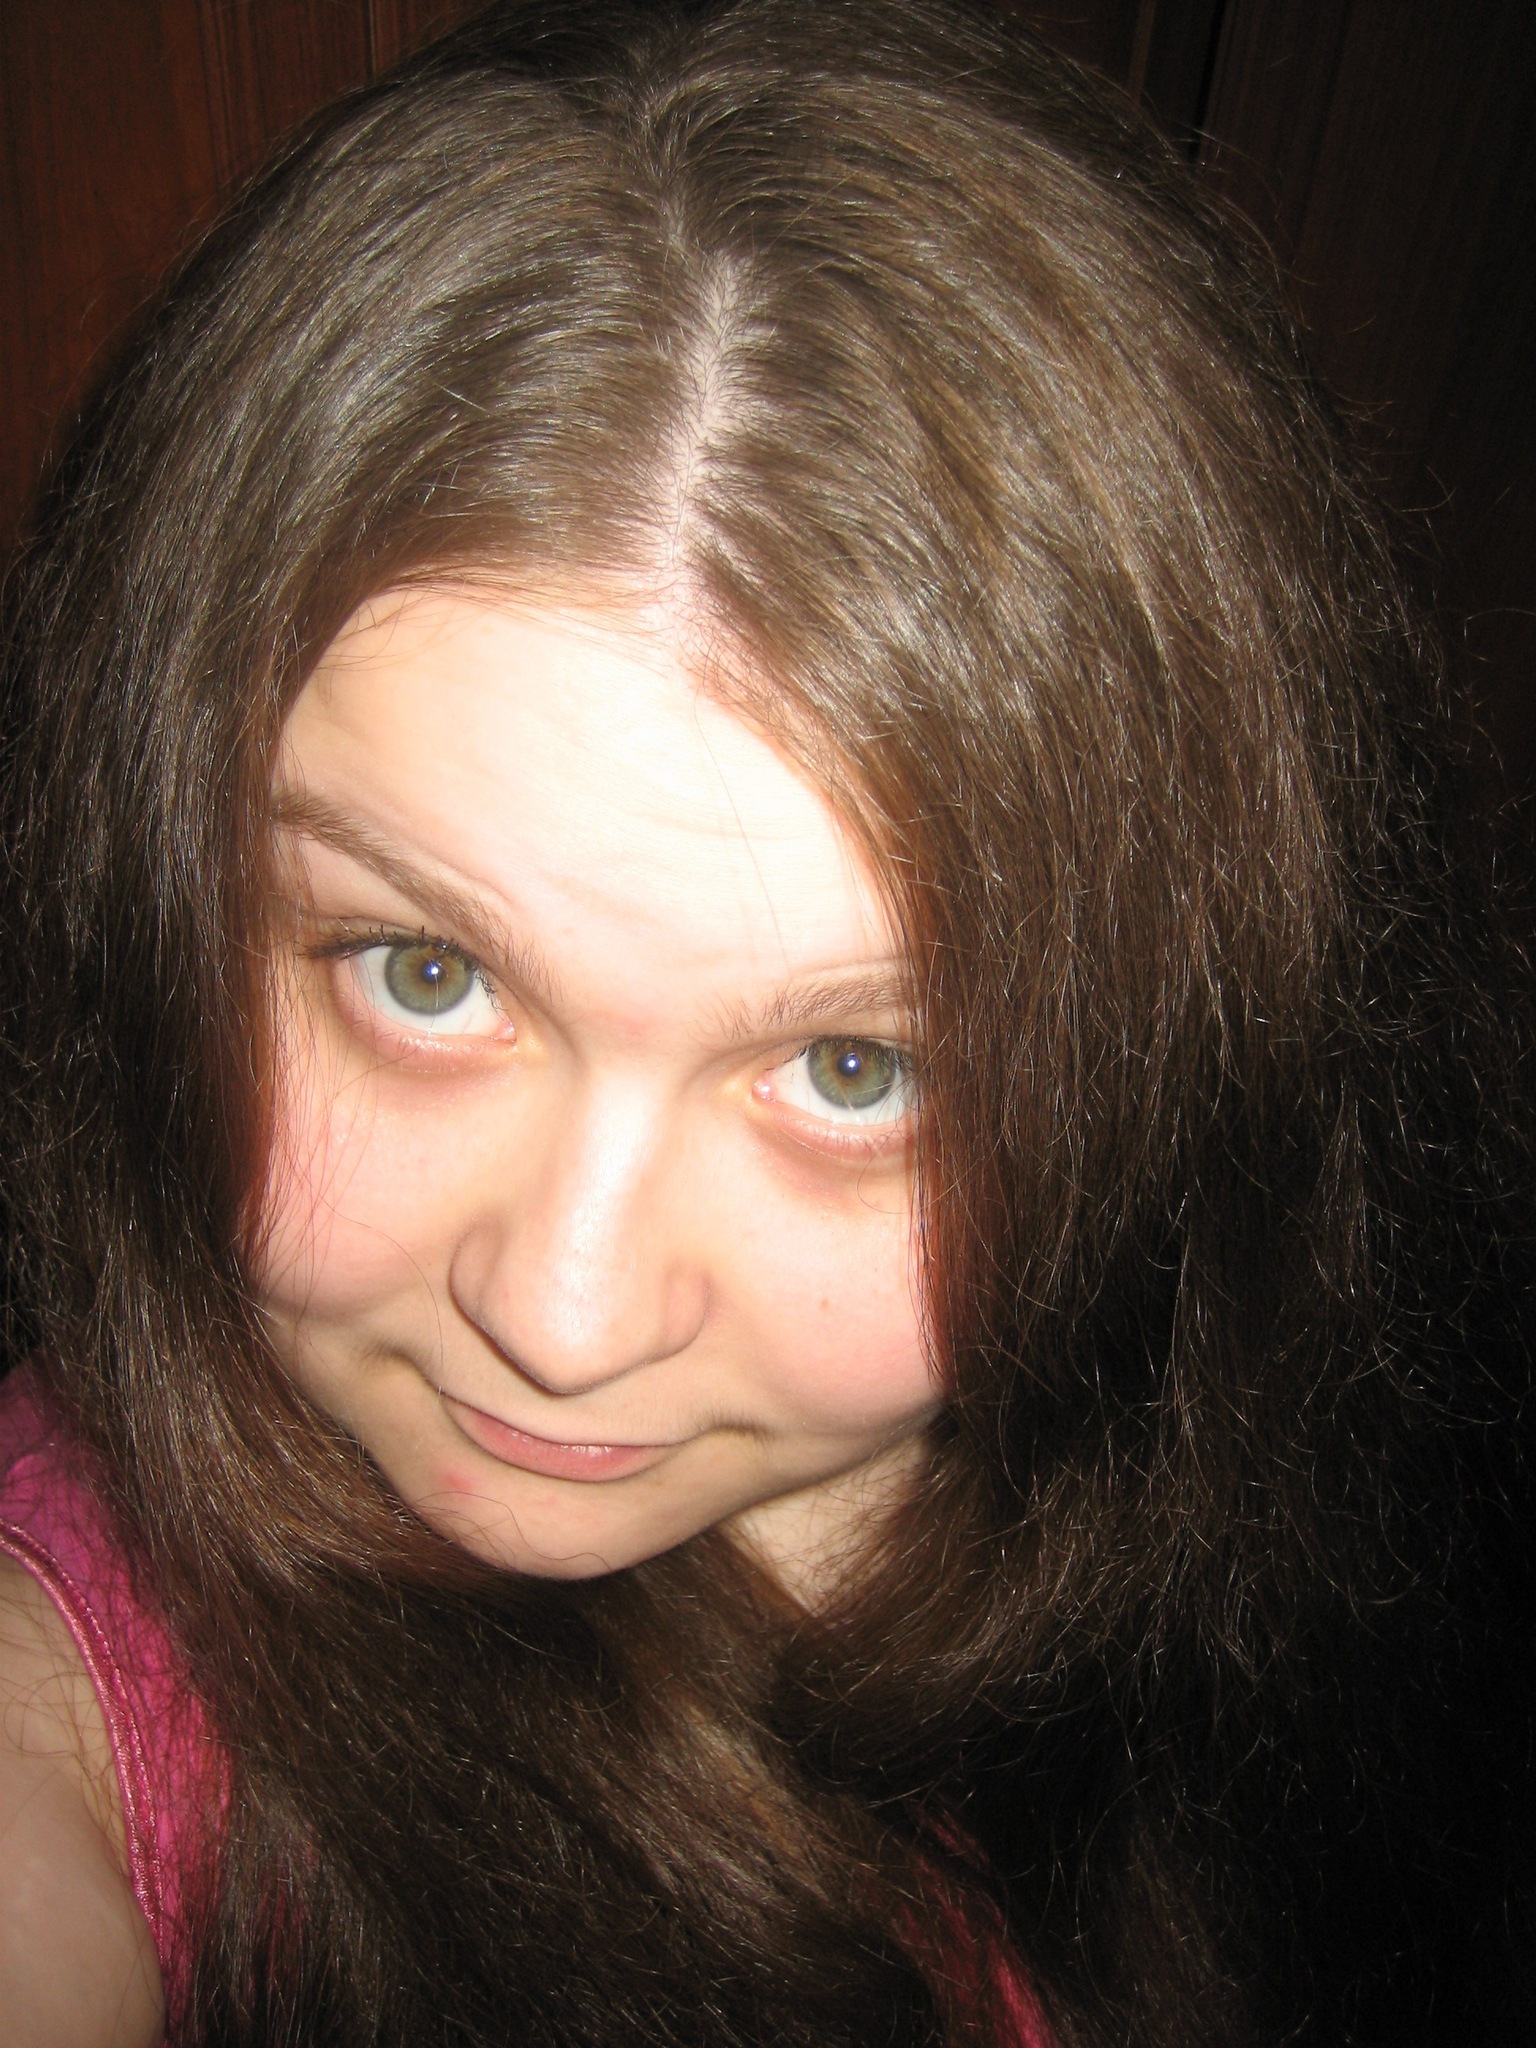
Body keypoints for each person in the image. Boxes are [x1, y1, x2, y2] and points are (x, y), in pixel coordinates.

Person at [0, 2, 1528, 2043]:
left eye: (853, 1070)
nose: (563, 1318)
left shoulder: (1318, 1491)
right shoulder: (81, 1692)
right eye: (424, 973)